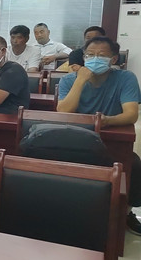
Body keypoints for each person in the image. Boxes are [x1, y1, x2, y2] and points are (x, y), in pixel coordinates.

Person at [56, 36, 141, 234]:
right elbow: (63, 112)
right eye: (90, 55)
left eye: (101, 55)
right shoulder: (69, 80)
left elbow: (131, 114)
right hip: (76, 138)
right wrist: (80, 80)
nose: (95, 59)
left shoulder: (125, 78)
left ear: (113, 59)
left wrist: (107, 121)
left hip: (111, 139)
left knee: (135, 165)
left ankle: (127, 212)